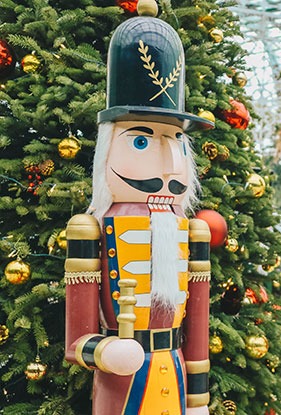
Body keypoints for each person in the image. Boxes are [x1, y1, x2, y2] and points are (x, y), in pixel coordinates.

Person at [64, 3, 214, 413]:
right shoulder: (91, 229)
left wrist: (198, 398)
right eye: (143, 141)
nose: (168, 168)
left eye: (177, 143)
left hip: (176, 375)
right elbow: (76, 339)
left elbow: (197, 327)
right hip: (121, 387)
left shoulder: (191, 230)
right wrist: (106, 352)